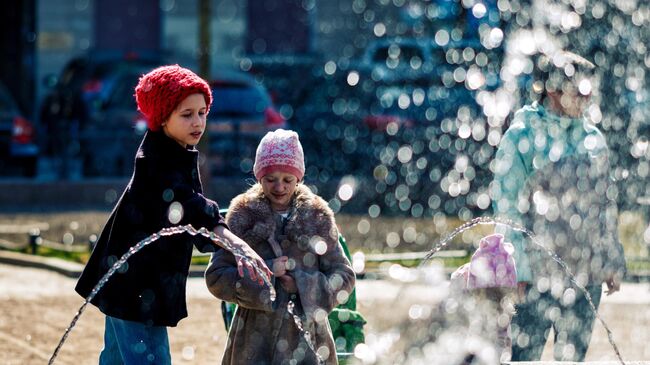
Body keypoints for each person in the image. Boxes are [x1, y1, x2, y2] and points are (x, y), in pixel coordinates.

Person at [74, 64, 271, 365]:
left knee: (116, 359)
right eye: (187, 114)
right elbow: (189, 207)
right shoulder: (155, 161)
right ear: (162, 117)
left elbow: (191, 209)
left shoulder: (173, 150)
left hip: (125, 283)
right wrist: (237, 244)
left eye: (202, 112)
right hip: (136, 288)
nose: (198, 122)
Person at [491, 50, 627, 361]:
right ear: (553, 90)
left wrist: (611, 260)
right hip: (534, 278)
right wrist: (518, 271)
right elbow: (508, 209)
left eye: (590, 90)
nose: (588, 97)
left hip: (584, 277)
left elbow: (605, 206)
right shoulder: (522, 136)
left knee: (572, 359)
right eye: (581, 90)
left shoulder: (594, 141)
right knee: (523, 357)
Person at [205, 129, 356, 365]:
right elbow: (216, 277)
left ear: (299, 178)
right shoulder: (241, 216)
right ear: (258, 177)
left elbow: (344, 276)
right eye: (270, 179)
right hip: (252, 343)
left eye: (288, 180)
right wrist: (263, 271)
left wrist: (304, 284)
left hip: (308, 344)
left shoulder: (317, 216)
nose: (279, 187)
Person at [449, 233, 517, 363]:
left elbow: (504, 346)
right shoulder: (462, 285)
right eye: (489, 293)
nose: (494, 298)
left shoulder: (502, 306)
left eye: (499, 294)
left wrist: (502, 356)